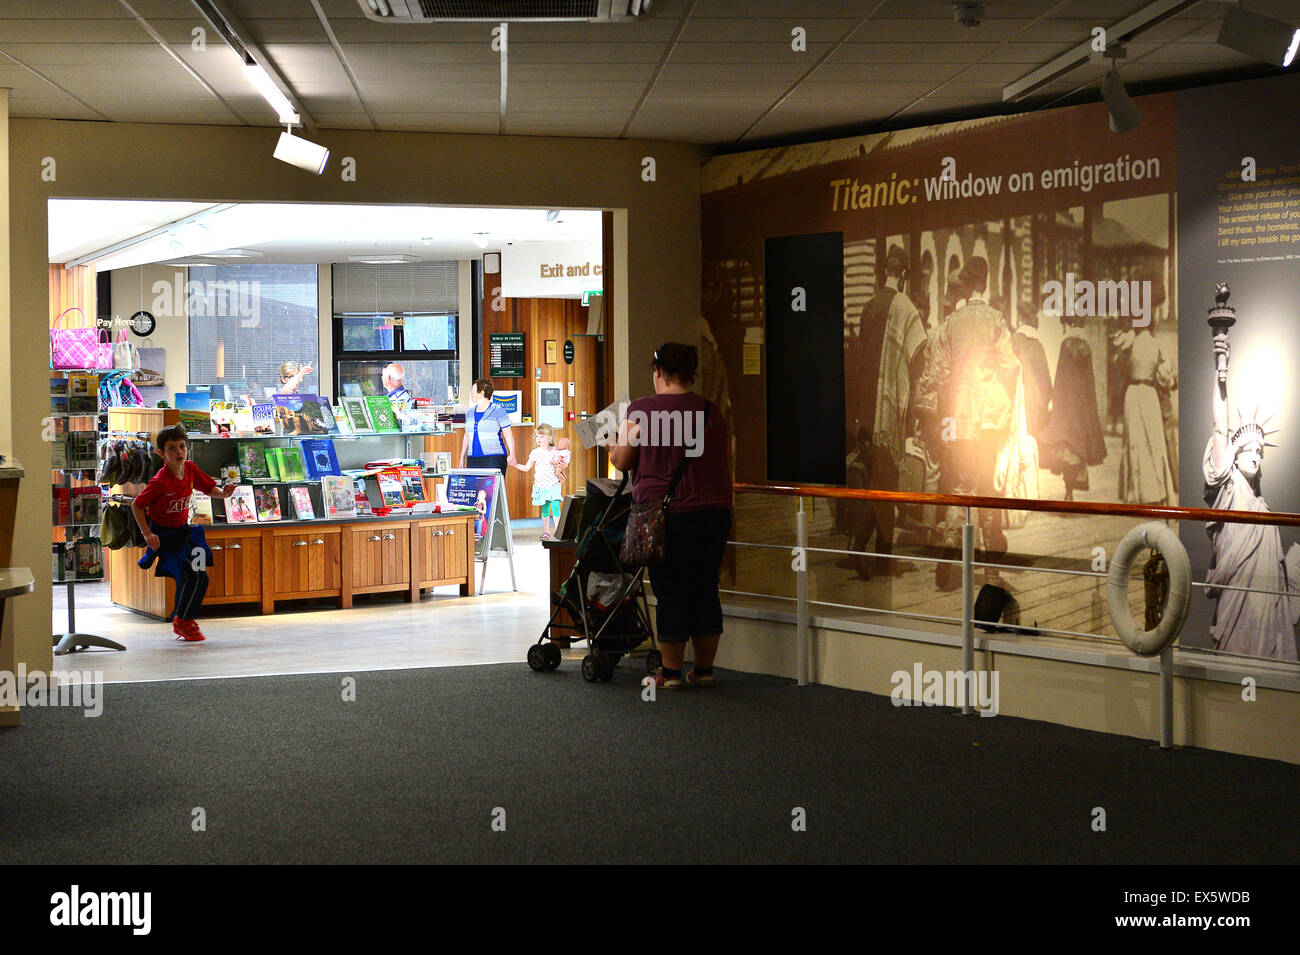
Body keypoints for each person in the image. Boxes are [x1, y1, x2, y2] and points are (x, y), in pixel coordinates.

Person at [611, 342, 732, 689]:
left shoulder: (641, 411)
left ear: (658, 372)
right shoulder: (710, 411)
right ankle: (705, 671)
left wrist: (612, 445)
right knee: (706, 587)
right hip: (713, 512)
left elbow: (621, 460)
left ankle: (672, 673)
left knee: (670, 591)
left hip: (666, 515)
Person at [916, 256, 1019, 589]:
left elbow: (938, 374)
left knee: (960, 490)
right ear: (985, 284)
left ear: (966, 283)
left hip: (959, 422)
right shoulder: (996, 321)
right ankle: (990, 573)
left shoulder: (951, 323)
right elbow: (1011, 366)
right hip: (988, 424)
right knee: (988, 495)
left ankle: (950, 549)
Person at [1204, 336, 1297, 661]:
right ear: (1235, 455)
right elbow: (1219, 426)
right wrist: (1220, 368)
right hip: (1237, 597)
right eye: (1249, 450)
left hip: (1266, 601)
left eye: (1260, 451)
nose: (1256, 455)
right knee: (1234, 661)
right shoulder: (1227, 489)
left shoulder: (1263, 507)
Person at [131, 425, 235, 642]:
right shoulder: (160, 481)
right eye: (171, 448)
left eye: (181, 447)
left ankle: (182, 618)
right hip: (166, 537)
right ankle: (183, 621)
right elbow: (137, 505)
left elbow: (209, 489)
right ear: (161, 453)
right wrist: (148, 534)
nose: (178, 452)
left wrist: (223, 494)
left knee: (198, 576)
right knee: (194, 575)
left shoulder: (189, 468)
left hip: (185, 534)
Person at [1038, 313, 1107, 501]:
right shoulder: (1086, 346)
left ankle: (1068, 489)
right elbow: (1089, 381)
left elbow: (1060, 378)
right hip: (1081, 406)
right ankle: (1072, 488)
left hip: (1066, 406)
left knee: (1065, 449)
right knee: (1078, 449)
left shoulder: (1065, 345)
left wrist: (1055, 401)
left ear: (1069, 323)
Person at [513, 422, 563, 540]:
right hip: (541, 485)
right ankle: (546, 531)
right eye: (537, 436)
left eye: (542, 436)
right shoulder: (535, 452)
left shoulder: (556, 451)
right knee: (545, 508)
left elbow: (561, 466)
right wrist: (515, 465)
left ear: (549, 437)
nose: (538, 439)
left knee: (555, 506)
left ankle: (558, 531)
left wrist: (561, 474)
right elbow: (526, 468)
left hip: (554, 484)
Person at [459, 377, 516, 474]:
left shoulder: (498, 410)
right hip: (473, 459)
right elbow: (467, 436)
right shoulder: (469, 412)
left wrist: (512, 453)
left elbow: (508, 434)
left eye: (473, 390)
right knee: (475, 488)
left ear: (482, 392)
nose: (471, 393)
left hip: (494, 458)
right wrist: (462, 459)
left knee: (493, 488)